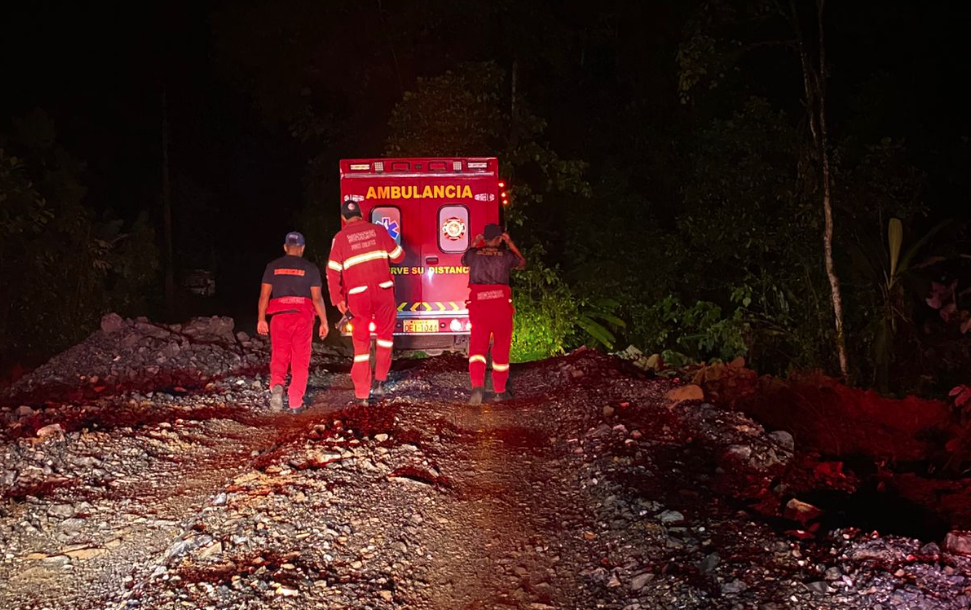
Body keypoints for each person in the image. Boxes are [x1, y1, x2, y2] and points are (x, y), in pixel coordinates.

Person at [326, 199, 405, 404]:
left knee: (360, 344)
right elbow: (399, 256)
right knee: (385, 337)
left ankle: (362, 393)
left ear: (344, 218)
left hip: (358, 296)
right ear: (361, 214)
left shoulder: (340, 238)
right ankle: (380, 381)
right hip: (383, 291)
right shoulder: (378, 230)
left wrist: (337, 299)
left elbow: (332, 270)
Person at [257, 231, 328, 413]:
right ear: (302, 248)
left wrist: (261, 319)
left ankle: (277, 385)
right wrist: (324, 322)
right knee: (300, 360)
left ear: (285, 247)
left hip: (279, 317)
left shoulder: (273, 266)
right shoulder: (310, 268)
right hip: (302, 318)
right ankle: (295, 402)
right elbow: (317, 298)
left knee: (279, 355)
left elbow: (264, 296)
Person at [462, 223, 526, 405]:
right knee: (501, 347)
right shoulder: (505, 256)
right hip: (500, 308)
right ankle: (499, 390)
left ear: (485, 238)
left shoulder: (474, 255)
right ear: (499, 239)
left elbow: (463, 260)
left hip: (479, 307)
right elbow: (522, 263)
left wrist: (474, 243)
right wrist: (511, 243)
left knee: (477, 349)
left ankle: (476, 387)